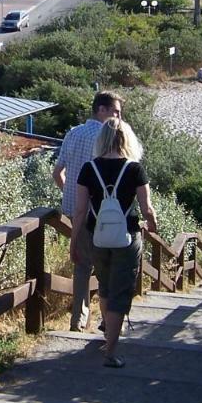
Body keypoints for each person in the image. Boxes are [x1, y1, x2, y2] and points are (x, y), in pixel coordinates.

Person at [71, 117, 158, 368]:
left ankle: (107, 338)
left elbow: (79, 211)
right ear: (127, 138)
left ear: (102, 140)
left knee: (105, 286)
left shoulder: (89, 168)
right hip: (127, 236)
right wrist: (151, 227)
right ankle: (110, 351)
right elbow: (147, 208)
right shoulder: (135, 169)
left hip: (96, 236)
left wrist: (74, 240)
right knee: (121, 290)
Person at [53, 92, 141, 333]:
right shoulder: (110, 138)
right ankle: (109, 320)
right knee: (109, 266)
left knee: (82, 266)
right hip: (105, 216)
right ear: (101, 110)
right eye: (116, 112)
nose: (119, 117)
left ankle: (78, 320)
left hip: (75, 211)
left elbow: (57, 172)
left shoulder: (73, 133)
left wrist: (70, 193)